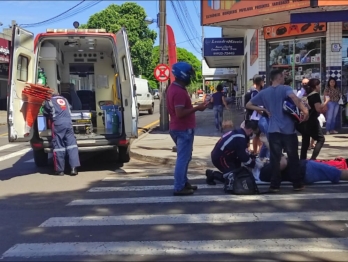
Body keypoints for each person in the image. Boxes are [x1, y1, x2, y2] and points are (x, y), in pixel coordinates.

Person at [246, 69, 309, 192]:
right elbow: (295, 99)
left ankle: (275, 185)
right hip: (288, 129)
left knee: (275, 158)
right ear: (279, 77)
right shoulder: (285, 89)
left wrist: (263, 110)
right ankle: (297, 184)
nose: (284, 78)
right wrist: (305, 111)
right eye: (283, 76)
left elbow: (248, 105)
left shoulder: (264, 92)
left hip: (273, 129)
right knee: (293, 157)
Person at [166, 62, 208, 196]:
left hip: (180, 128)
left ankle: (184, 182)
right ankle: (179, 187)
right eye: (189, 74)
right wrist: (197, 108)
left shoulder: (175, 88)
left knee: (186, 157)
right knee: (183, 159)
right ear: (183, 75)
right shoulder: (178, 91)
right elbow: (179, 113)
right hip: (183, 129)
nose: (191, 77)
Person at [206, 120, 260, 185]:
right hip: (220, 158)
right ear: (250, 130)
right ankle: (212, 174)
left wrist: (252, 157)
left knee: (239, 174)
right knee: (233, 180)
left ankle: (230, 172)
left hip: (226, 156)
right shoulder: (241, 138)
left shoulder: (240, 133)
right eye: (254, 132)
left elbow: (243, 152)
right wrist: (254, 164)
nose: (254, 135)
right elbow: (243, 157)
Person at [42, 92, 80, 176]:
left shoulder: (50, 101)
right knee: (72, 145)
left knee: (59, 146)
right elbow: (69, 108)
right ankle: (73, 169)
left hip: (58, 124)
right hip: (69, 123)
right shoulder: (65, 100)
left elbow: (45, 113)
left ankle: (60, 170)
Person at [258, 156, 348, 185]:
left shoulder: (265, 170)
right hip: (305, 169)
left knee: (334, 171)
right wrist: (279, 155)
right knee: (336, 173)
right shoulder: (264, 172)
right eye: (261, 160)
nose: (263, 160)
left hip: (304, 170)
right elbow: (283, 163)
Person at [299, 79, 328, 160]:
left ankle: (302, 160)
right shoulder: (315, 95)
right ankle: (313, 159)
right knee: (321, 139)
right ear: (316, 86)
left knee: (305, 141)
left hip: (305, 120)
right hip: (312, 120)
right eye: (319, 85)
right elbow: (318, 108)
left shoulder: (307, 95)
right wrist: (326, 102)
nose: (320, 87)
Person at [249, 75, 264, 154]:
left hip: (256, 118)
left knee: (258, 136)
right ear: (260, 82)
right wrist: (263, 113)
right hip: (257, 118)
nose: (263, 83)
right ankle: (257, 152)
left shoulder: (256, 92)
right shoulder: (255, 93)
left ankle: (256, 152)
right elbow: (256, 106)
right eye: (263, 81)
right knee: (260, 137)